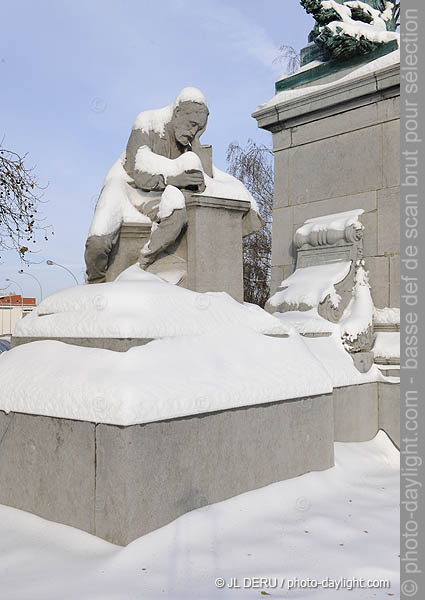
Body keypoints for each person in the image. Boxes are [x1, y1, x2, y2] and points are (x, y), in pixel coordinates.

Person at [84, 87, 210, 283]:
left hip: (155, 196)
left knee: (177, 213)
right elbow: (140, 171)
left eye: (199, 128)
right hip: (125, 187)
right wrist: (174, 178)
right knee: (98, 241)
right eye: (192, 124)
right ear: (177, 112)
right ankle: (95, 283)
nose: (193, 131)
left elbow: (205, 180)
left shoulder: (188, 141)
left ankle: (141, 264)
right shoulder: (146, 123)